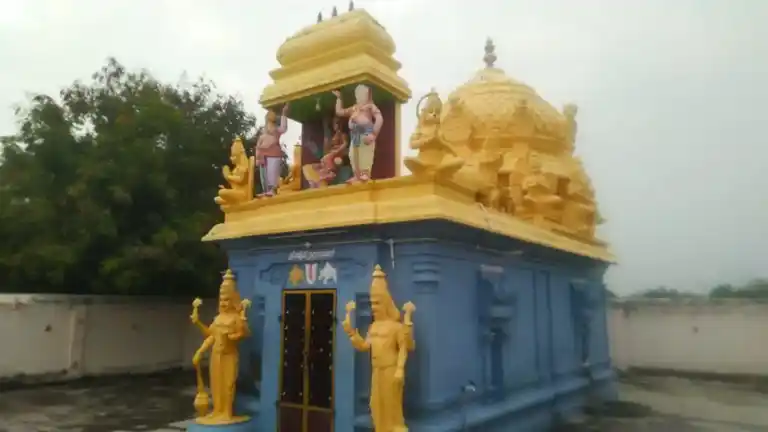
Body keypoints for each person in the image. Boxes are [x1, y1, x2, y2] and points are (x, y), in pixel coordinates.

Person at [333, 85, 383, 183]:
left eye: (362, 94)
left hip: (366, 133)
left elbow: (379, 119)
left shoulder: (370, 106)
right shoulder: (354, 108)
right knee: (353, 154)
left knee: (365, 153)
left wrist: (373, 134)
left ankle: (365, 173)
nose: (359, 96)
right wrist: (339, 98)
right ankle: (356, 175)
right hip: (355, 134)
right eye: (358, 94)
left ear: (366, 95)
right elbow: (339, 112)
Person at [255, 104, 289, 196]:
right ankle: (266, 190)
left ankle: (272, 190)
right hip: (263, 157)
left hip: (274, 155)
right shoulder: (262, 135)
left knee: (273, 172)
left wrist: (284, 113)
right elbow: (258, 147)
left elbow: (284, 128)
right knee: (264, 174)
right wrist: (257, 158)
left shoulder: (276, 131)